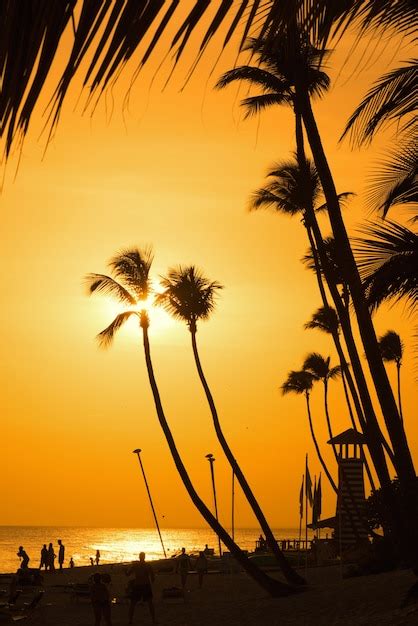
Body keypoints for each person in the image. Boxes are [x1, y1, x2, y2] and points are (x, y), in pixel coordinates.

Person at [126, 552, 156, 625]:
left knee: (133, 603)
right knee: (150, 603)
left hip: (138, 585)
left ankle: (130, 620)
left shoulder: (135, 565)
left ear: (139, 557)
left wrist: (125, 571)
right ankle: (153, 620)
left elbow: (128, 574)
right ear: (144, 557)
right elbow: (152, 578)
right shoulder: (147, 565)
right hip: (145, 585)